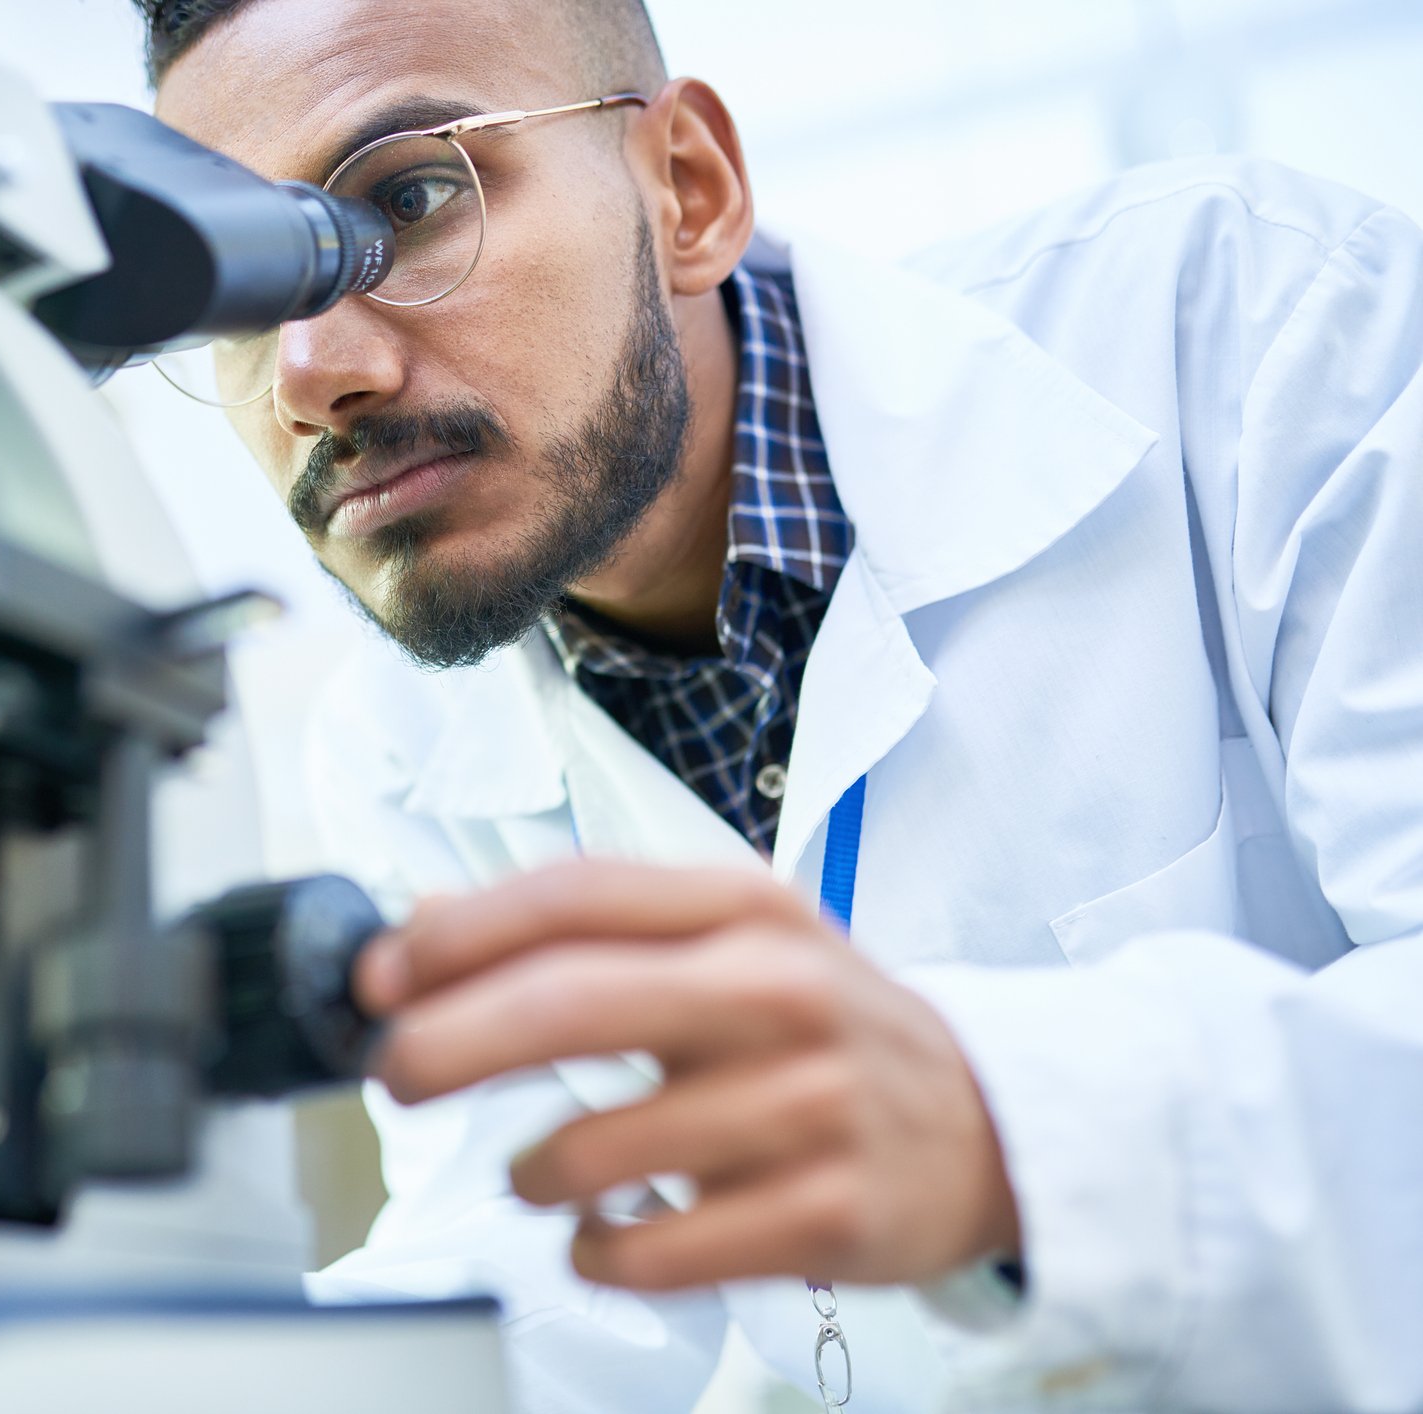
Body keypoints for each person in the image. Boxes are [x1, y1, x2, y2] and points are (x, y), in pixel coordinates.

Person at [135, 0, 1423, 1409]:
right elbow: (547, 1282)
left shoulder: (1259, 325)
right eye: (238, 298)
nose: (317, 375)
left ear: (688, 189)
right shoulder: (398, 748)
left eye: (411, 198)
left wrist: (1019, 1134)